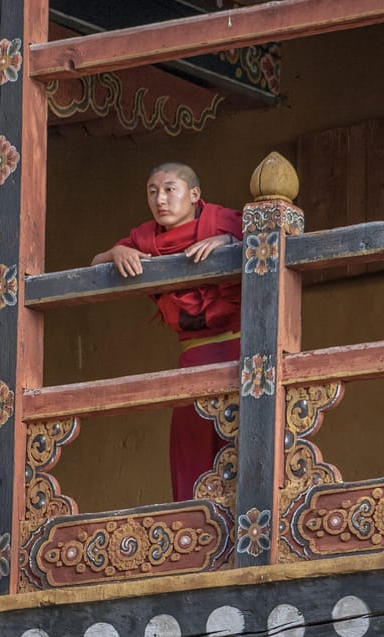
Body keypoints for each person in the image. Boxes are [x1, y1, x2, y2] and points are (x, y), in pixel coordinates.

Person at [91, 162, 243, 502]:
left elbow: (278, 237)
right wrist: (117, 252)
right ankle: (193, 523)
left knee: (239, 443)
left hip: (240, 351)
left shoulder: (221, 221)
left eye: (170, 189)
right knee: (192, 447)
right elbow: (94, 264)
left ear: (194, 195)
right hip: (193, 355)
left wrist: (228, 241)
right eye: (153, 191)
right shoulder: (145, 237)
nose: (161, 199)